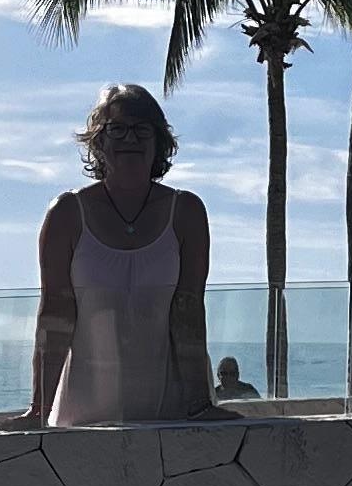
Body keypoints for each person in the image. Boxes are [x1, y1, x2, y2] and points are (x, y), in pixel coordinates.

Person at [30, 85, 216, 426]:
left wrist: (201, 407)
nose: (130, 138)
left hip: (172, 408)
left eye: (141, 129)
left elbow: (188, 311)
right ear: (98, 142)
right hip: (84, 409)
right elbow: (55, 316)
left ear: (159, 140)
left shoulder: (186, 212)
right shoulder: (67, 214)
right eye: (117, 128)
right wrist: (38, 411)